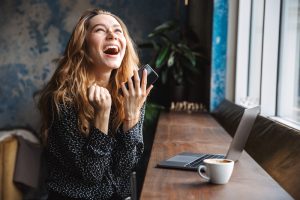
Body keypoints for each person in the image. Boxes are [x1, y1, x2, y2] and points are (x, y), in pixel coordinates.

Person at [37, 8, 153, 200]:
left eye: (118, 31)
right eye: (100, 30)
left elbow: (124, 168)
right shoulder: (62, 99)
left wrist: (131, 115)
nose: (112, 35)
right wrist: (101, 116)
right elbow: (92, 175)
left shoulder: (132, 93)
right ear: (83, 48)